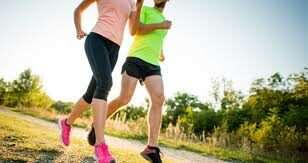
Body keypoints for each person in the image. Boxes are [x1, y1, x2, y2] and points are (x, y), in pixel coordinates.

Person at [57, 0, 145, 162]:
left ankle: (66, 123)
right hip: (97, 40)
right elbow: (78, 10)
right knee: (105, 83)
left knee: (91, 93)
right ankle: (100, 146)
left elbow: (132, 31)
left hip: (115, 48)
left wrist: (139, 6)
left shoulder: (132, 2)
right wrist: (79, 29)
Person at [88, 0, 171, 162]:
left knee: (159, 98)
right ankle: (97, 123)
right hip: (135, 59)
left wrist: (160, 51)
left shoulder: (163, 18)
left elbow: (155, 39)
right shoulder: (144, 9)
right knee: (124, 98)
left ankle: (151, 148)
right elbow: (136, 29)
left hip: (153, 63)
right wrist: (160, 25)